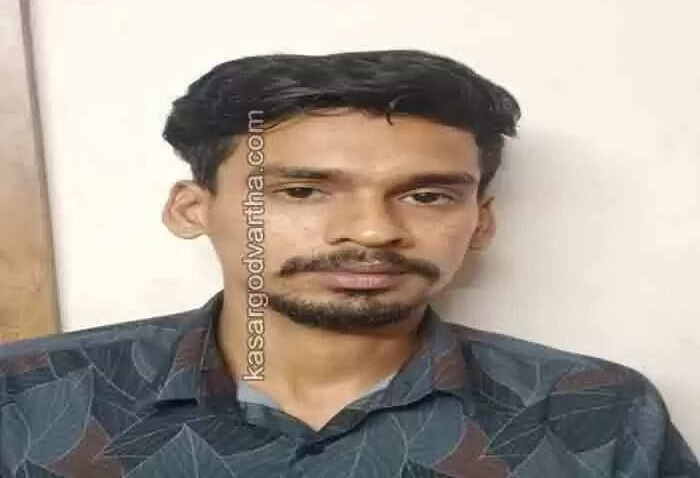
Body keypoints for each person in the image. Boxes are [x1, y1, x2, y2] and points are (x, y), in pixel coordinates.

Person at [1, 49, 697, 478]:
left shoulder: (591, 409)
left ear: (480, 221)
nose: (372, 230)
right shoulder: (24, 397)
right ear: (191, 209)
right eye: (302, 191)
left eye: (427, 195)